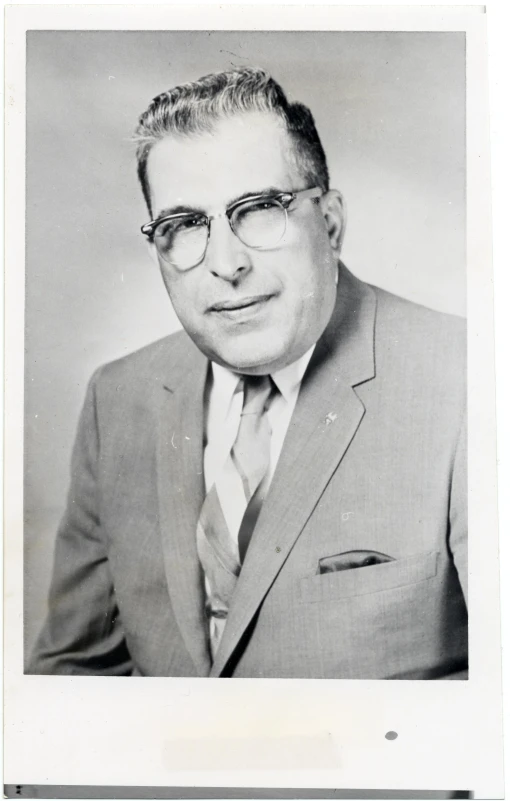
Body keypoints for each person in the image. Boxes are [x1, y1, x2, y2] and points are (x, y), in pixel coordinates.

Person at [28, 67, 468, 679]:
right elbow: (71, 680)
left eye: (260, 210)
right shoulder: (119, 396)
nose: (226, 264)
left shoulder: (472, 381)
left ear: (331, 223)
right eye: (184, 226)